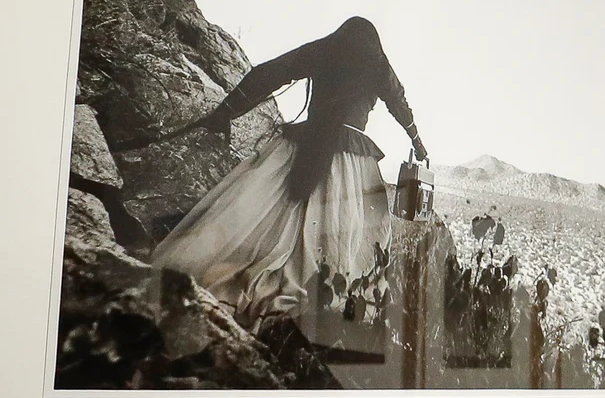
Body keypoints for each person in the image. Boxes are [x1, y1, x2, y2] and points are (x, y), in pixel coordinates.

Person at [148, 16, 428, 320]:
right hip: (351, 158)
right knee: (342, 233)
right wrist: (418, 142)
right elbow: (399, 104)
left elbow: (270, 73)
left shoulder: (325, 50)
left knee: (271, 212)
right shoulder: (379, 65)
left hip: (304, 143)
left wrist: (226, 111)